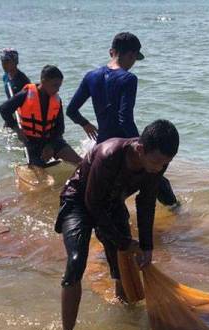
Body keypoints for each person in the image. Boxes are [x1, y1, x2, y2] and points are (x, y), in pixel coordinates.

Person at [55, 119, 179, 330]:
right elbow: (93, 203)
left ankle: (126, 321)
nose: (159, 169)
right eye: (157, 162)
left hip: (112, 205)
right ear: (140, 149)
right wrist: (125, 242)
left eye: (165, 164)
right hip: (79, 203)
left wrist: (146, 246)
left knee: (122, 265)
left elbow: (146, 202)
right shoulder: (108, 154)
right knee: (76, 262)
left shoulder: (158, 162)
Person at [66, 32, 178, 207]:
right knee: (158, 184)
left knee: (99, 196)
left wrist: (85, 124)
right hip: (122, 147)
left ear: (112, 52)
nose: (133, 63)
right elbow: (124, 119)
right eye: (134, 58)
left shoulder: (91, 76)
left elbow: (71, 110)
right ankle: (177, 214)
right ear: (131, 55)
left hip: (102, 149)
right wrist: (142, 145)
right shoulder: (128, 79)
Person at [0, 65, 82, 167]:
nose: (57, 90)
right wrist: (17, 129)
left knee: (81, 163)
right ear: (43, 81)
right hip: (32, 143)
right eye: (55, 85)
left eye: (59, 86)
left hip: (52, 141)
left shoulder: (56, 100)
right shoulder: (26, 94)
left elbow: (60, 128)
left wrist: (50, 146)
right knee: (39, 172)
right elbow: (3, 109)